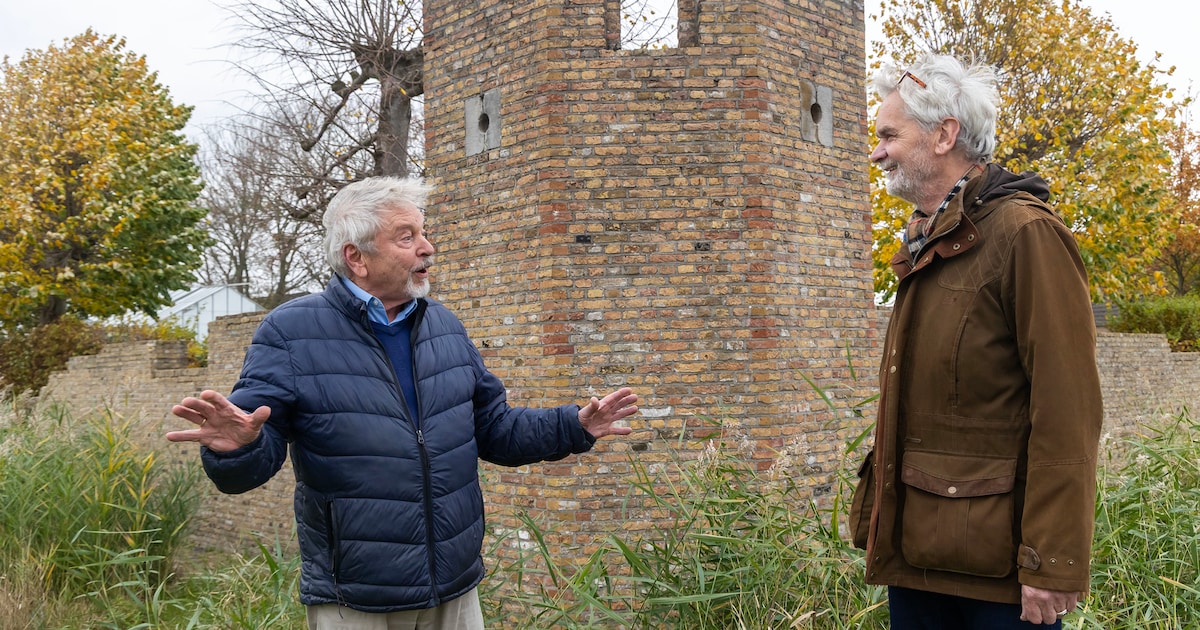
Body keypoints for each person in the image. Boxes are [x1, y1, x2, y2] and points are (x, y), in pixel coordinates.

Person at [166, 176, 639, 629]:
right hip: (356, 598)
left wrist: (573, 426)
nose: (427, 247)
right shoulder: (290, 332)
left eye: (424, 233)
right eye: (406, 236)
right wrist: (237, 448)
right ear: (357, 257)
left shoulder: (445, 327)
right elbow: (251, 455)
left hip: (453, 589)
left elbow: (494, 430)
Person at [849, 54, 1103, 628]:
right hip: (919, 560)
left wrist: (1051, 563)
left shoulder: (1025, 235)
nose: (877, 150)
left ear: (944, 135)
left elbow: (1068, 410)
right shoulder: (926, 241)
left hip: (1000, 578)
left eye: (889, 134)